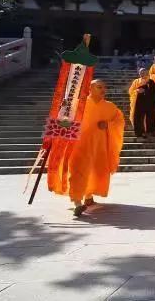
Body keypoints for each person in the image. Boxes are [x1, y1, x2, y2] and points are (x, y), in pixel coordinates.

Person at [48, 80, 125, 217]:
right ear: (90, 88)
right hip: (79, 146)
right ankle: (77, 203)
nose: (103, 90)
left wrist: (108, 125)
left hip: (99, 147)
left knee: (95, 171)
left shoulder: (110, 107)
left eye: (104, 87)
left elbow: (119, 121)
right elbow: (64, 121)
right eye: (99, 87)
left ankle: (88, 196)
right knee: (78, 172)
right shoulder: (78, 104)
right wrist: (64, 109)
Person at [128, 68, 155, 138]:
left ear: (147, 73)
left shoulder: (150, 82)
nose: (142, 74)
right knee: (139, 118)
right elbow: (130, 91)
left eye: (143, 73)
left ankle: (150, 131)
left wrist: (145, 91)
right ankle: (141, 132)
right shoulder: (136, 81)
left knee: (149, 118)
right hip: (138, 104)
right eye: (141, 73)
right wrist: (137, 91)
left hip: (149, 104)